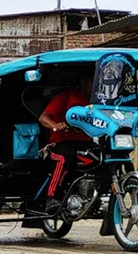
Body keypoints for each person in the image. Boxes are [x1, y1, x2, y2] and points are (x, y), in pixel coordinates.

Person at [38, 74, 93, 212]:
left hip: (83, 144)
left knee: (104, 156)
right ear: (83, 82)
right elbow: (43, 118)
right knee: (64, 157)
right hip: (59, 144)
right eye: (93, 82)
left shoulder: (97, 101)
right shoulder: (66, 96)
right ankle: (52, 197)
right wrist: (55, 125)